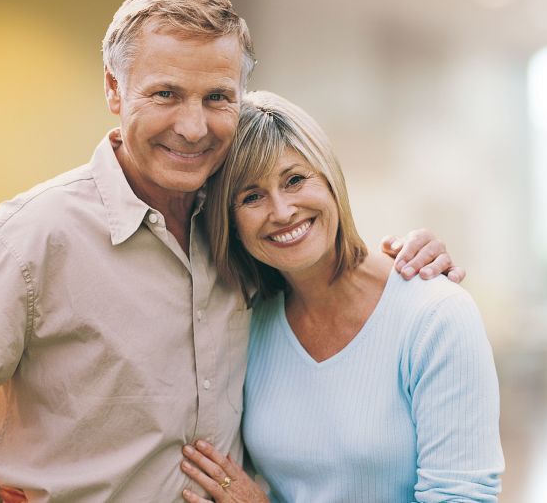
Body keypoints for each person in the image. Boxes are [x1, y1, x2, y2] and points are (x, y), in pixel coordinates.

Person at [0, 0, 462, 502]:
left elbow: (325, 266)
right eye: (165, 94)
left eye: (217, 98)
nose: (193, 126)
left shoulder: (239, 223)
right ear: (114, 90)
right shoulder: (30, 237)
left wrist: (408, 261)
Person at [176, 91, 504, 502]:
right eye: (251, 196)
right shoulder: (249, 321)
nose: (281, 211)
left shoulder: (436, 315)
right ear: (231, 223)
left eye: (295, 179)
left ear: (331, 181)